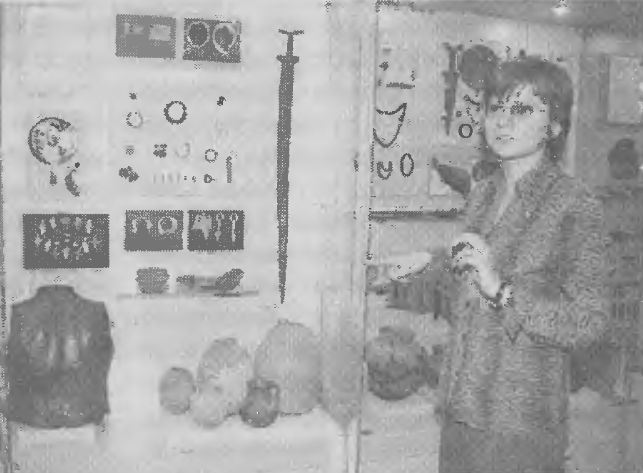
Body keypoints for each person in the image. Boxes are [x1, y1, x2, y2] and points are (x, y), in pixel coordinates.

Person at [435, 57, 610, 473]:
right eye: (496, 107)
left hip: (520, 426)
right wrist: (428, 264)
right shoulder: (483, 193)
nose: (503, 120)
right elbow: (469, 284)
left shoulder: (574, 204)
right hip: (459, 410)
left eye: (523, 109)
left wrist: (502, 293)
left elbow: (590, 321)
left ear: (554, 127)